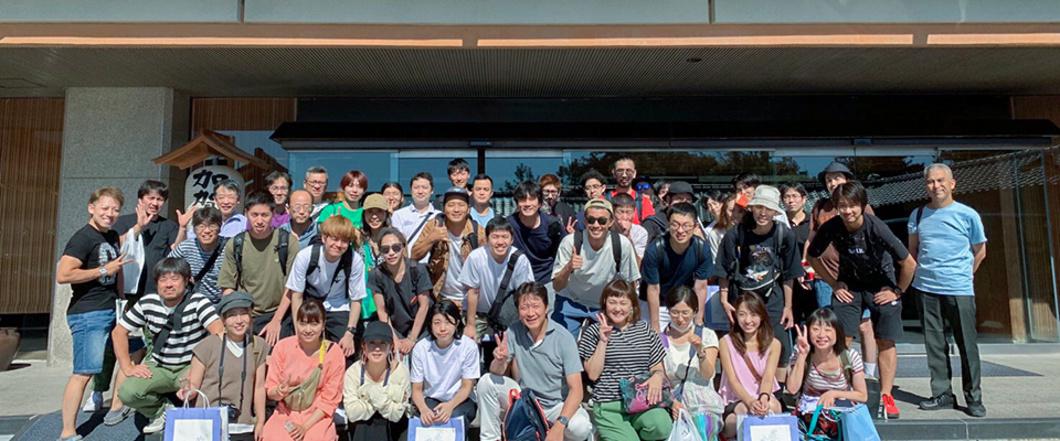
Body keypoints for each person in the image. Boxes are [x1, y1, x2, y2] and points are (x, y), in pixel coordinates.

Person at [807, 181, 916, 420]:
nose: (848, 211)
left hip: (881, 284)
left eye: (853, 205)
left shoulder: (876, 227)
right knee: (841, 338)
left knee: (884, 339)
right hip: (850, 285)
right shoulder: (832, 226)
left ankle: (886, 395)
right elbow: (812, 256)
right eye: (842, 206)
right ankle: (845, 389)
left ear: (863, 205)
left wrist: (897, 291)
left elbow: (909, 263)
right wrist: (834, 283)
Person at [908, 163, 988, 417]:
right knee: (935, 346)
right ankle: (942, 394)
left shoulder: (968, 215)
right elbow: (913, 251)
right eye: (931, 181)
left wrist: (965, 275)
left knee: (967, 345)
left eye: (941, 180)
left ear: (952, 184)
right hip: (926, 288)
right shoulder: (918, 215)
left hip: (959, 289)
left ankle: (973, 398)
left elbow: (980, 251)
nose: (936, 186)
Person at [114, 258, 223, 434]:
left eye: (174, 278)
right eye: (163, 279)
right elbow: (119, 332)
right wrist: (127, 367)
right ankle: (161, 411)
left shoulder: (198, 302)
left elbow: (218, 332)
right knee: (127, 392)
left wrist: (202, 367)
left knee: (207, 392)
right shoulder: (147, 303)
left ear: (186, 281)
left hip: (189, 366)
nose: (168, 284)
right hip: (159, 365)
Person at [476, 282, 593, 441]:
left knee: (580, 428)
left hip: (556, 405)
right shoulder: (514, 331)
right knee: (486, 382)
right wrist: (499, 360)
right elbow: (497, 372)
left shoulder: (564, 338)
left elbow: (577, 390)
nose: (530, 313)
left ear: (546, 308)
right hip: (525, 400)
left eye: (535, 306)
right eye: (524, 308)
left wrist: (559, 426)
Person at [56, 187, 128, 441]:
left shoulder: (111, 235)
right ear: (91, 208)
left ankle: (117, 406)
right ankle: (67, 431)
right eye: (105, 208)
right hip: (89, 314)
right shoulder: (82, 238)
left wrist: (121, 300)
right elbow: (63, 274)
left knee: (133, 352)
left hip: (111, 308)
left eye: (115, 209)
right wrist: (102, 270)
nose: (110, 214)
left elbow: (117, 270)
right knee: (84, 372)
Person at [714, 185, 801, 379]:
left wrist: (788, 307)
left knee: (779, 345)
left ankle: (776, 391)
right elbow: (724, 268)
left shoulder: (784, 234)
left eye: (768, 208)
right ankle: (743, 385)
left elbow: (790, 273)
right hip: (743, 295)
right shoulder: (736, 233)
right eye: (759, 207)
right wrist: (724, 299)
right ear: (752, 208)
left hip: (773, 295)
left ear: (775, 212)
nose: (763, 213)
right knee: (742, 343)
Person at [808, 161, 879, 381]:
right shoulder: (820, 207)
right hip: (825, 277)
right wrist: (806, 265)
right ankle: (837, 375)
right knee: (828, 328)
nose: (832, 183)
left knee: (864, 326)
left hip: (856, 279)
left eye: (837, 178)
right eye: (829, 179)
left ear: (847, 180)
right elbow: (811, 240)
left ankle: (868, 375)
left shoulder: (862, 206)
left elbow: (875, 240)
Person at [578, 280, 672, 441]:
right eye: (612, 302)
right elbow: (593, 374)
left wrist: (657, 376)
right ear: (605, 303)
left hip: (641, 401)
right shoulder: (593, 331)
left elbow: (657, 367)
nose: (617, 308)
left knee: (661, 425)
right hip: (610, 404)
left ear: (632, 306)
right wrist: (603, 340)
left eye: (623, 303)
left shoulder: (645, 330)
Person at [270, 216, 366, 359]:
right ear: (324, 238)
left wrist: (349, 333)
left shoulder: (354, 260)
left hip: (338, 307)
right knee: (289, 342)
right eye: (334, 239)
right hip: (310, 304)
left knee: (347, 351)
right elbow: (296, 295)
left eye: (344, 241)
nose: (339, 245)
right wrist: (298, 330)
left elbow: (356, 299)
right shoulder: (306, 256)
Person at [179, 292, 268, 441]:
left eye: (244, 314)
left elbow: (259, 387)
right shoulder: (207, 346)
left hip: (242, 426)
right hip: (207, 425)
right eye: (232, 315)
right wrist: (187, 390)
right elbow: (194, 384)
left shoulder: (258, 345)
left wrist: (260, 421)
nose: (239, 320)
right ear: (223, 320)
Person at [551, 199, 640, 335]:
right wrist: (568, 267)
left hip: (604, 306)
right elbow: (557, 286)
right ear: (585, 221)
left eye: (602, 221)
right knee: (562, 343)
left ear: (611, 222)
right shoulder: (570, 242)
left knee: (609, 344)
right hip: (570, 301)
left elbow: (630, 283)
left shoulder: (621, 244)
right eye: (591, 220)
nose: (596, 225)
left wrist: (631, 314)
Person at [218, 192, 301, 336]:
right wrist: (238, 316)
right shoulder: (236, 244)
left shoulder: (287, 242)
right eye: (254, 215)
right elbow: (228, 287)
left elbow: (292, 287)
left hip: (280, 313)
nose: (259, 221)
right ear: (246, 214)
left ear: (273, 214)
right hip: (246, 313)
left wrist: (276, 320)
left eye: (265, 215)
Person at [263, 299, 346, 441]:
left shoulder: (334, 352)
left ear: (323, 325)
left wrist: (304, 427)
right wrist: (279, 392)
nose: (308, 330)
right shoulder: (282, 347)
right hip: (286, 413)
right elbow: (270, 389)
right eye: (303, 323)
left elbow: (330, 400)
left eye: (314, 324)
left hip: (317, 417)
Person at [785, 308, 868, 439]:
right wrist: (802, 355)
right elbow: (792, 389)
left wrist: (834, 393)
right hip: (809, 417)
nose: (821, 335)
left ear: (837, 332)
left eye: (828, 329)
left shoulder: (850, 357)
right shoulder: (801, 352)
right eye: (815, 329)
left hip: (839, 417)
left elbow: (862, 395)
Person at [458, 216, 535, 341]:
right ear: (487, 239)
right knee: (469, 342)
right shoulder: (476, 257)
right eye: (495, 237)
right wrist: (470, 325)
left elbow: (524, 294)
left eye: (505, 237)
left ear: (512, 239)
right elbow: (473, 292)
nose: (500, 242)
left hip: (507, 313)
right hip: (478, 313)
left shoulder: (520, 260)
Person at [718, 293, 782, 440]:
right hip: (736, 399)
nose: (748, 320)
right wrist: (749, 401)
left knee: (774, 406)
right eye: (742, 314)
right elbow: (733, 380)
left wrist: (763, 397)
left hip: (762, 395)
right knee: (744, 411)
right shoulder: (726, 342)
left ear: (762, 316)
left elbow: (768, 377)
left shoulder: (774, 344)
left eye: (753, 315)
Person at [642, 202, 713, 332]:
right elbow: (653, 289)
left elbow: (701, 287)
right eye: (675, 224)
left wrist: (698, 320)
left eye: (686, 225)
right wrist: (655, 325)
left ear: (695, 226)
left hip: (685, 303)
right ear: (668, 224)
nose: (680, 231)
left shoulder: (702, 249)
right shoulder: (655, 249)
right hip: (658, 304)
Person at [410, 300, 480, 426]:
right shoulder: (420, 348)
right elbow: (416, 389)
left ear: (456, 323)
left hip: (461, 400)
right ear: (430, 325)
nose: (442, 328)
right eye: (437, 323)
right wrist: (423, 409)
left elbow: (467, 387)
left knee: (453, 418)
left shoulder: (468, 346)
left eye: (448, 322)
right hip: (432, 398)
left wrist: (450, 406)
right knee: (427, 419)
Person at [410, 187, 485, 302]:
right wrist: (431, 239)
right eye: (451, 205)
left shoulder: (478, 232)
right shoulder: (434, 225)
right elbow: (414, 255)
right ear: (444, 209)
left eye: (461, 205)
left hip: (470, 299)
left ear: (468, 209)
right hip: (440, 297)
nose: (456, 210)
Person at [662, 286, 724, 422]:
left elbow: (708, 374)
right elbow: (660, 377)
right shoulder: (660, 339)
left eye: (685, 313)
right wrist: (672, 403)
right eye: (675, 312)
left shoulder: (707, 335)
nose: (680, 318)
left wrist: (700, 351)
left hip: (702, 402)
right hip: (672, 402)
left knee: (702, 425)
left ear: (695, 312)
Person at [343, 321, 411, 441]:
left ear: (391, 347)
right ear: (363, 346)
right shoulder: (353, 372)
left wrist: (367, 393)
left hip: (392, 431)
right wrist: (388, 395)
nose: (377, 349)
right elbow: (352, 413)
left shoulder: (401, 372)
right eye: (372, 343)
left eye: (383, 343)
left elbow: (396, 415)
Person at [370, 228, 433, 356]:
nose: (391, 253)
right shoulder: (377, 275)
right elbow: (382, 311)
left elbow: (424, 306)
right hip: (395, 328)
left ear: (403, 247)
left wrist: (412, 339)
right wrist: (394, 340)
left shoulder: (418, 270)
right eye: (385, 249)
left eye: (396, 248)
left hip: (422, 328)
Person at [508, 180, 566, 291]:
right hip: (517, 281)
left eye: (532, 199)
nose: (527, 204)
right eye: (523, 199)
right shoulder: (509, 225)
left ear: (539, 203)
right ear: (517, 203)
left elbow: (564, 252)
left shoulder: (552, 224)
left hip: (547, 281)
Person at [169, 206, 226, 303]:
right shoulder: (186, 247)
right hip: (195, 302)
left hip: (223, 302)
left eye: (212, 226)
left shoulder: (229, 248)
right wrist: (184, 276)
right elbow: (167, 266)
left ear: (220, 228)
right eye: (201, 226)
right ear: (194, 230)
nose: (206, 231)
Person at [780, 183, 815, 324]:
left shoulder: (813, 222)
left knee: (813, 318)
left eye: (795, 196)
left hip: (810, 277)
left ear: (804, 199)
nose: (791, 200)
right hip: (787, 280)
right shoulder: (779, 223)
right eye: (787, 197)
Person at [391, 172, 440, 260]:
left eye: (424, 187)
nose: (420, 191)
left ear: (432, 190)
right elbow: (397, 244)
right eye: (416, 187)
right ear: (411, 190)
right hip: (407, 264)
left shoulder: (439, 216)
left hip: (431, 265)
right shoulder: (398, 215)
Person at [358, 193, 390, 320]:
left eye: (379, 212)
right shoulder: (358, 239)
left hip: (388, 304)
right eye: (370, 212)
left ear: (386, 214)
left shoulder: (394, 239)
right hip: (363, 305)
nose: (374, 216)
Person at [605, 157, 655, 224]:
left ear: (634, 173)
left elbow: (649, 227)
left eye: (628, 171)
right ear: (614, 173)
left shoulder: (643, 201)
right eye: (620, 171)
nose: (624, 175)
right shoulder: (605, 200)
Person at [611, 193, 649, 261]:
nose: (625, 217)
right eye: (620, 212)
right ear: (613, 213)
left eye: (628, 212)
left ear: (634, 213)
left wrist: (628, 237)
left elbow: (638, 264)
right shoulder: (606, 230)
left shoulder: (640, 233)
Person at [703, 190, 733, 263]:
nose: (713, 207)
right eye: (709, 205)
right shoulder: (709, 230)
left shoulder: (734, 220)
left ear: (723, 203)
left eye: (715, 203)